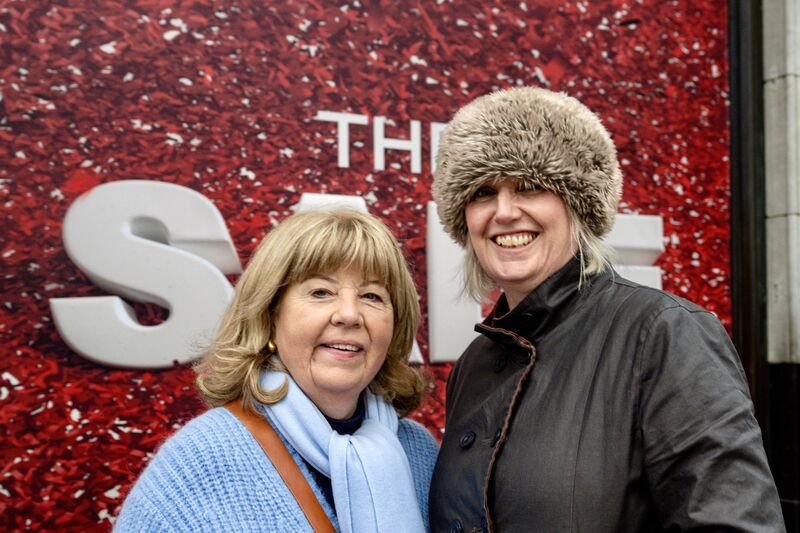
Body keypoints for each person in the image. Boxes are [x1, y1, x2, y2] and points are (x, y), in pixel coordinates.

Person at [428, 87, 784, 532]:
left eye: (530, 186)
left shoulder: (664, 334)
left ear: (577, 203)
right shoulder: (474, 364)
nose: (503, 212)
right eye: (482, 192)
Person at [115, 209, 438, 532]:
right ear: (270, 315)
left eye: (371, 296)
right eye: (321, 292)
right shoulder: (200, 460)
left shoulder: (420, 454)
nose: (349, 315)